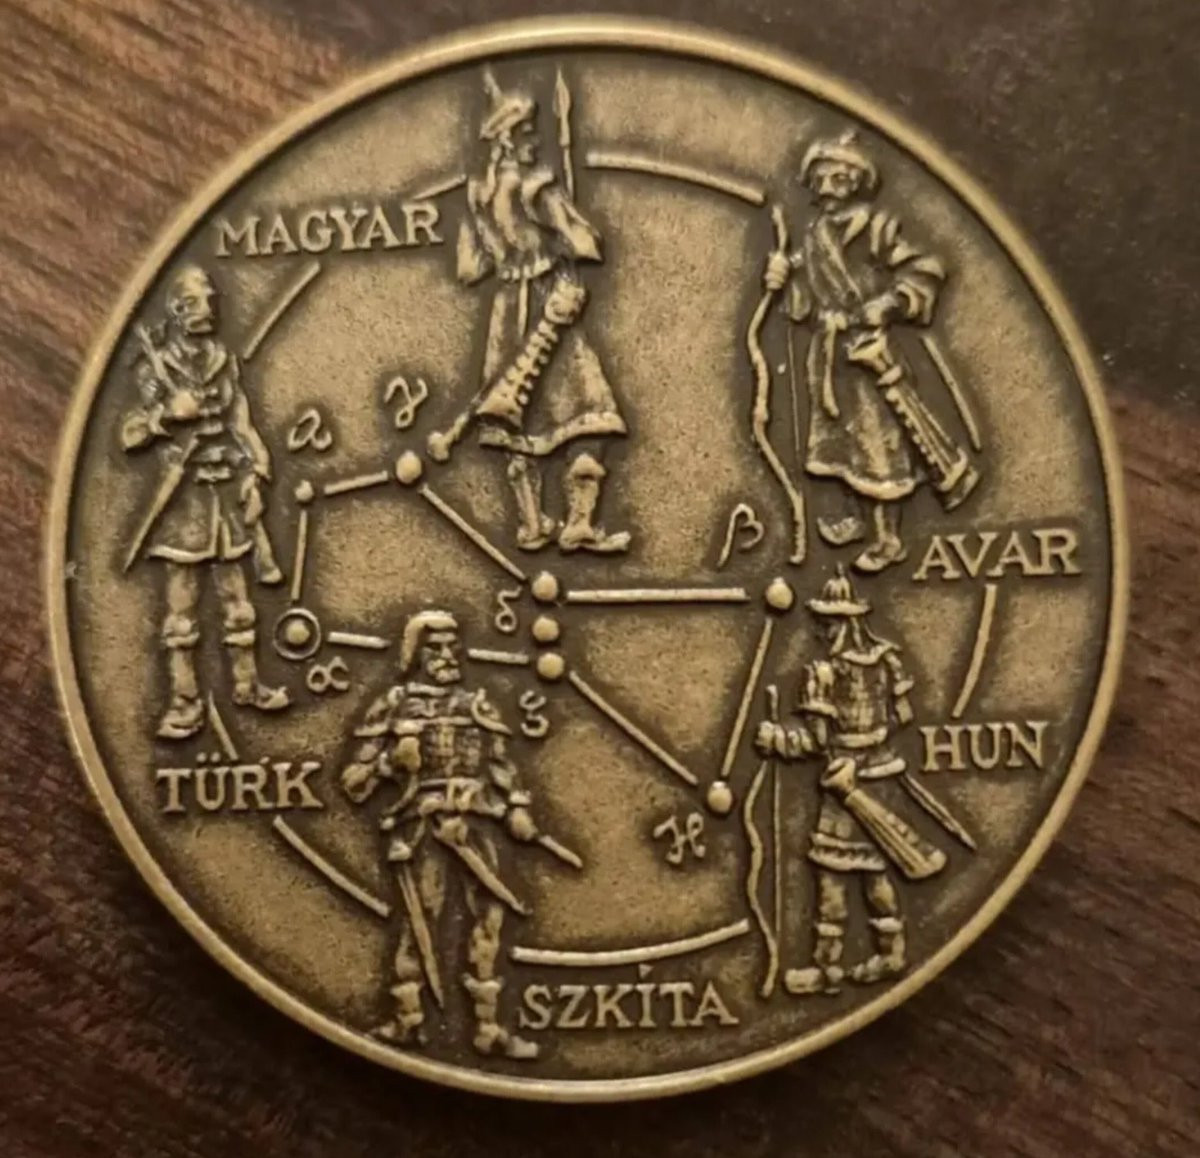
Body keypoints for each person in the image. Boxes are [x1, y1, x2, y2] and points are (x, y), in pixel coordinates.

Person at [762, 130, 972, 572]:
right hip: (829, 354)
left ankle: (889, 538)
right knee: (841, 443)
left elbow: (924, 269)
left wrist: (890, 303)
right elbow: (802, 304)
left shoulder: (880, 228)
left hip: (868, 351)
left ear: (857, 182)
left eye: (838, 178)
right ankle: (853, 519)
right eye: (820, 179)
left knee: (879, 448)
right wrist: (783, 278)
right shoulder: (814, 235)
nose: (827, 188)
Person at [339, 610, 542, 1058]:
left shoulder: (478, 706)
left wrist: (517, 809)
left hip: (476, 828)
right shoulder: (394, 708)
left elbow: (504, 768)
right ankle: (408, 1020)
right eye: (435, 648)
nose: (448, 656)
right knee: (419, 923)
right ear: (415, 655)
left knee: (489, 923)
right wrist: (390, 764)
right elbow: (353, 783)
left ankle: (488, 1027)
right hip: (421, 830)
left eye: (453, 646)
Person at [455, 68, 629, 553]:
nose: (535, 139)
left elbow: (469, 269)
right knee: (589, 413)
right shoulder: (536, 188)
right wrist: (565, 228)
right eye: (527, 131)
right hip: (553, 301)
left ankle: (531, 525)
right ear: (507, 138)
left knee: (518, 423)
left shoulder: (477, 197)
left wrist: (507, 251)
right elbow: (587, 245)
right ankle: (579, 523)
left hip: (507, 312)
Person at [121, 265, 287, 740]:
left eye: (211, 301)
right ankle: (184, 702)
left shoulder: (223, 361)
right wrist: (166, 416)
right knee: (182, 610)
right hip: (184, 501)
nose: (208, 309)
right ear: (176, 309)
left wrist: (258, 473)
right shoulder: (155, 368)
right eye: (196, 302)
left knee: (239, 604)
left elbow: (243, 425)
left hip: (226, 496)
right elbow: (129, 435)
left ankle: (247, 686)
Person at [755, 567, 940, 994]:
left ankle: (827, 967)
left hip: (844, 785)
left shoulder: (824, 673)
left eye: (826, 622)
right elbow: (902, 717)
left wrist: (776, 739)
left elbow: (817, 742)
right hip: (882, 776)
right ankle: (891, 953)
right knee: (877, 870)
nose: (820, 630)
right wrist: (870, 746)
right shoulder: (887, 662)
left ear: (843, 623)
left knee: (832, 874)